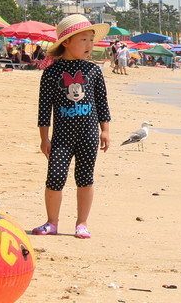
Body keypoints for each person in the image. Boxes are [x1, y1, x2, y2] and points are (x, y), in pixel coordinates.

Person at [33, 14, 111, 239]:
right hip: (61, 138)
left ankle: (82, 223)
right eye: (83, 40)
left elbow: (102, 103)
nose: (89, 45)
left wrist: (105, 131)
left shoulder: (94, 71)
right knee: (55, 177)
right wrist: (44, 138)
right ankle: (51, 222)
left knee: (85, 178)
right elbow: (44, 108)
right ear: (66, 42)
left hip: (88, 135)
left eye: (91, 40)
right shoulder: (51, 72)